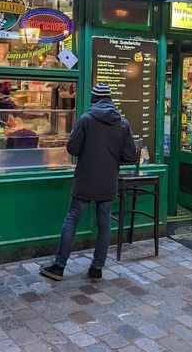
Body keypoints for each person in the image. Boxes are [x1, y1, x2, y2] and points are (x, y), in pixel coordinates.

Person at [40, 84, 137, 281]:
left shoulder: (86, 120)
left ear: (94, 99)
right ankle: (97, 268)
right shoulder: (123, 123)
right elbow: (130, 155)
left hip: (86, 179)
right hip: (109, 179)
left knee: (72, 220)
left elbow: (73, 149)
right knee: (104, 224)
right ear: (110, 99)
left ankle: (59, 266)